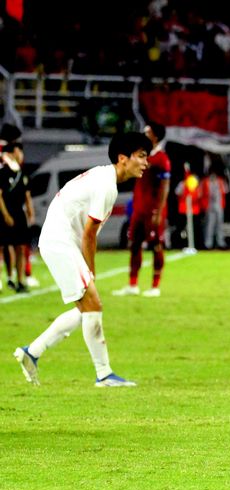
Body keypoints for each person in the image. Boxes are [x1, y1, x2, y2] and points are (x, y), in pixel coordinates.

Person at [13, 132, 151, 387]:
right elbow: (89, 234)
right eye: (141, 156)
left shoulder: (104, 177)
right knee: (93, 305)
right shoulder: (107, 186)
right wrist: (91, 271)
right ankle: (104, 374)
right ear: (123, 158)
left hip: (60, 241)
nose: (145, 162)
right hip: (61, 242)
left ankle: (32, 352)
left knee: (86, 309)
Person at [113, 122, 171, 297]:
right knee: (134, 244)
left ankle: (155, 286)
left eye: (147, 132)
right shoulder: (141, 156)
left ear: (155, 136)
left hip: (152, 210)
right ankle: (133, 284)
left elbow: (165, 186)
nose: (143, 134)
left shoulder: (162, 159)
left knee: (156, 246)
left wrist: (159, 212)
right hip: (138, 208)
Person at [0, 141, 33, 294]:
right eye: (19, 151)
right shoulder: (3, 171)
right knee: (7, 246)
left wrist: (30, 213)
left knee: (20, 246)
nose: (21, 154)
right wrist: (5, 215)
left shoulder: (22, 171)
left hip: (19, 213)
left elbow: (27, 195)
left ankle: (20, 281)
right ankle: (8, 277)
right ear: (14, 151)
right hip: (7, 212)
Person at [200, 159, 229, 250]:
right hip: (209, 205)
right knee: (209, 224)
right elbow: (200, 193)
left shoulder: (221, 181)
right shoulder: (205, 181)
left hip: (219, 205)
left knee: (219, 224)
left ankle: (220, 242)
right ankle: (208, 243)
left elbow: (225, 192)